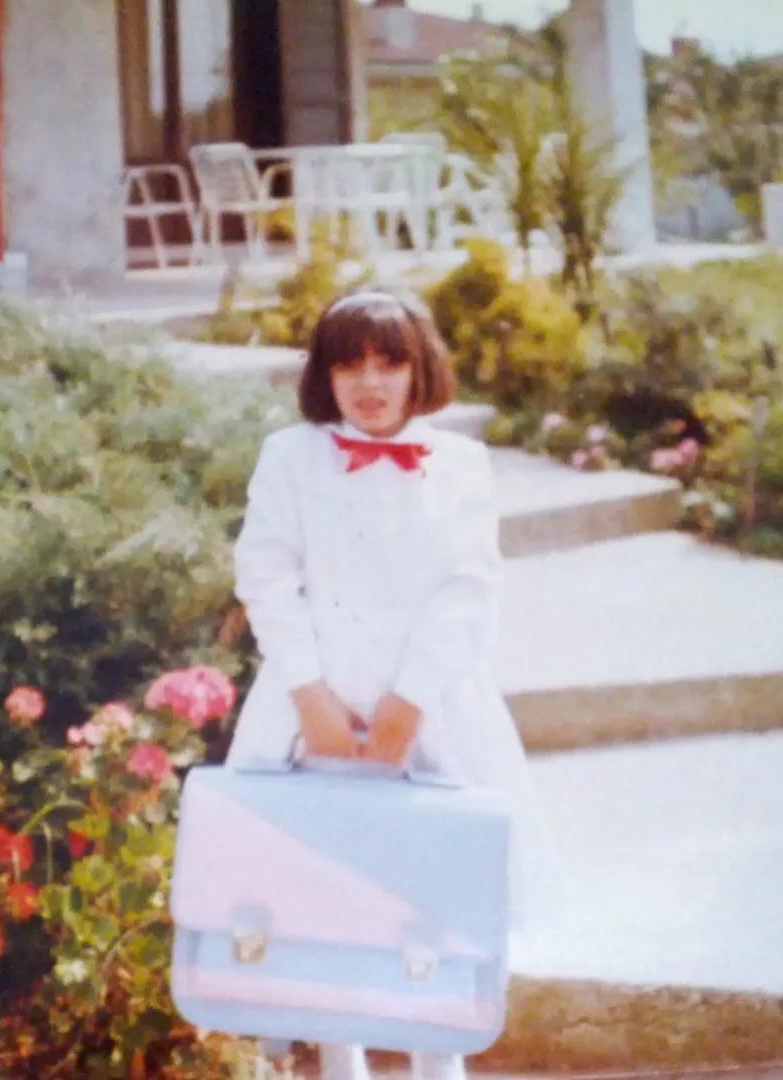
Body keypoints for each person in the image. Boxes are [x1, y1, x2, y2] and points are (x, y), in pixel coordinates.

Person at [226, 289, 568, 1080]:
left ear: (421, 372)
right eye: (349, 365)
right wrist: (310, 695)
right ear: (326, 377)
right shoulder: (292, 457)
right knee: (324, 896)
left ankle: (438, 1064)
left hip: (432, 709)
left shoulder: (460, 464)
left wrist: (406, 705)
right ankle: (334, 1060)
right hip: (310, 710)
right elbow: (267, 574)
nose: (369, 383)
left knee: (431, 899)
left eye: (389, 364)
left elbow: (468, 588)